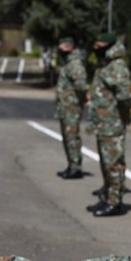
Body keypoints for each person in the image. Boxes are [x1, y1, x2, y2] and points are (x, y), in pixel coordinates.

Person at [87, 32, 131, 217]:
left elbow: (125, 97)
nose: (96, 47)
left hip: (112, 124)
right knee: (106, 163)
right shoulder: (105, 64)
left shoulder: (117, 66)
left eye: (100, 44)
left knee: (113, 164)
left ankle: (115, 202)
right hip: (103, 123)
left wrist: (121, 116)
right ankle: (107, 197)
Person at [54, 36, 88, 180]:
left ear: (70, 47)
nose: (61, 51)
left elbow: (81, 85)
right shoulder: (68, 63)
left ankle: (76, 167)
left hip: (71, 107)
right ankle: (71, 165)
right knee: (68, 138)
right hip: (66, 106)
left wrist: (77, 100)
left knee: (72, 137)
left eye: (64, 48)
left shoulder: (74, 64)